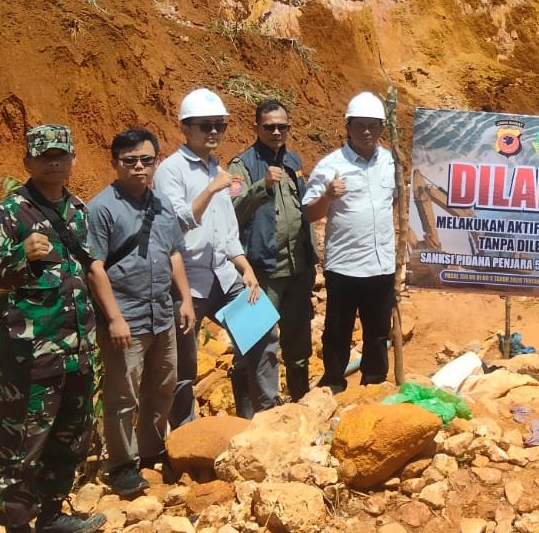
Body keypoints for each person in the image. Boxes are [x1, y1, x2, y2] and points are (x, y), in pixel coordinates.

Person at [0, 124, 106, 533]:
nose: (54, 162)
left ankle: (52, 517)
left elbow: (86, 271)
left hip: (75, 349)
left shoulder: (77, 211)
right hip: (30, 357)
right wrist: (20, 256)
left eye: (61, 155)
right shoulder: (9, 215)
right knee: (20, 447)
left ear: (72, 159)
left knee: (71, 435)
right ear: (28, 163)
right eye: (44, 155)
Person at [85, 128, 194, 498]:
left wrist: (186, 299)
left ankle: (150, 452)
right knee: (121, 396)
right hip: (126, 319)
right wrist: (113, 317)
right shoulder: (101, 208)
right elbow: (94, 267)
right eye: (130, 161)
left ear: (156, 162)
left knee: (162, 387)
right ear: (115, 163)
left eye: (147, 161)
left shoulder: (162, 205)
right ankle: (122, 465)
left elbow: (174, 253)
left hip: (162, 314)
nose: (139, 168)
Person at [154, 88, 266, 422]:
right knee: (183, 362)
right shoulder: (170, 171)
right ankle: (185, 434)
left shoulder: (217, 168)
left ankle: (255, 414)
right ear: (185, 128)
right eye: (205, 125)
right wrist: (210, 189)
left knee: (260, 333)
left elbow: (227, 230)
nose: (214, 131)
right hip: (187, 281)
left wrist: (245, 266)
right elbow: (176, 222)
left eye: (220, 124)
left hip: (223, 274)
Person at [302, 91, 399, 392]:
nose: (366, 131)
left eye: (372, 125)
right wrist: (328, 196)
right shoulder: (331, 165)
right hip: (344, 266)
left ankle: (374, 384)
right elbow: (308, 213)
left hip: (381, 265)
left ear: (382, 128)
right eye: (359, 125)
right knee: (337, 331)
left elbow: (393, 203)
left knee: (378, 332)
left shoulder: (391, 162)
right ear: (348, 127)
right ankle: (333, 383)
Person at [230, 99, 318, 400]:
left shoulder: (294, 161)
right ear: (256, 127)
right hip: (262, 271)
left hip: (297, 269)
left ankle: (301, 403)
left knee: (298, 341)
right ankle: (248, 412)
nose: (277, 132)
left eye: (282, 126)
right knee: (252, 339)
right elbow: (231, 210)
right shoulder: (242, 165)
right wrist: (261, 186)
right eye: (269, 126)